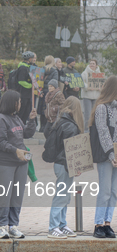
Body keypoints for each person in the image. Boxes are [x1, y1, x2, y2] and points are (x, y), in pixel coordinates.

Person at [0, 90, 37, 239]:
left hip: (21, 163)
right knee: (4, 196)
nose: (20, 104)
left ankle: (13, 225)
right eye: (18, 101)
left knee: (17, 196)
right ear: (12, 102)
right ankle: (2, 226)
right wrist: (15, 150)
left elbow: (26, 134)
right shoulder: (1, 119)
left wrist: (31, 120)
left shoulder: (16, 118)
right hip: (5, 163)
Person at [45, 96, 83, 239]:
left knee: (64, 195)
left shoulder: (60, 122)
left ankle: (61, 224)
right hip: (65, 164)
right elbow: (71, 150)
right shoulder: (71, 125)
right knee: (62, 196)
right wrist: (75, 166)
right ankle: (54, 226)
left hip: (60, 164)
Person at [89, 75, 117, 239]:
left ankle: (107, 223)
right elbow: (103, 132)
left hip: (116, 155)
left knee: (114, 192)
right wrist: (111, 154)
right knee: (105, 191)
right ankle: (98, 224)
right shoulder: (101, 108)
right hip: (106, 156)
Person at [39, 55, 59, 132]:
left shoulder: (41, 70)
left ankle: (41, 127)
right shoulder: (54, 71)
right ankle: (47, 127)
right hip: (50, 93)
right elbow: (55, 82)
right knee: (49, 109)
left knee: (42, 110)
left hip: (42, 92)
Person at [81, 59, 102, 131]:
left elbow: (102, 84)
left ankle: (94, 130)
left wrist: (100, 88)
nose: (92, 65)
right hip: (87, 96)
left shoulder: (99, 74)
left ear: (96, 65)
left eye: (93, 63)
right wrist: (88, 87)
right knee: (88, 114)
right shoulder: (84, 73)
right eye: (90, 63)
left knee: (95, 114)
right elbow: (82, 83)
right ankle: (87, 130)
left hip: (96, 96)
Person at [16, 51, 35, 124]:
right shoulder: (22, 68)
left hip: (28, 94)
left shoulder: (28, 67)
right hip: (23, 94)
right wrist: (31, 86)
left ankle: (23, 127)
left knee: (26, 112)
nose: (33, 60)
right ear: (29, 58)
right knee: (21, 112)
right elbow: (21, 81)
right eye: (32, 58)